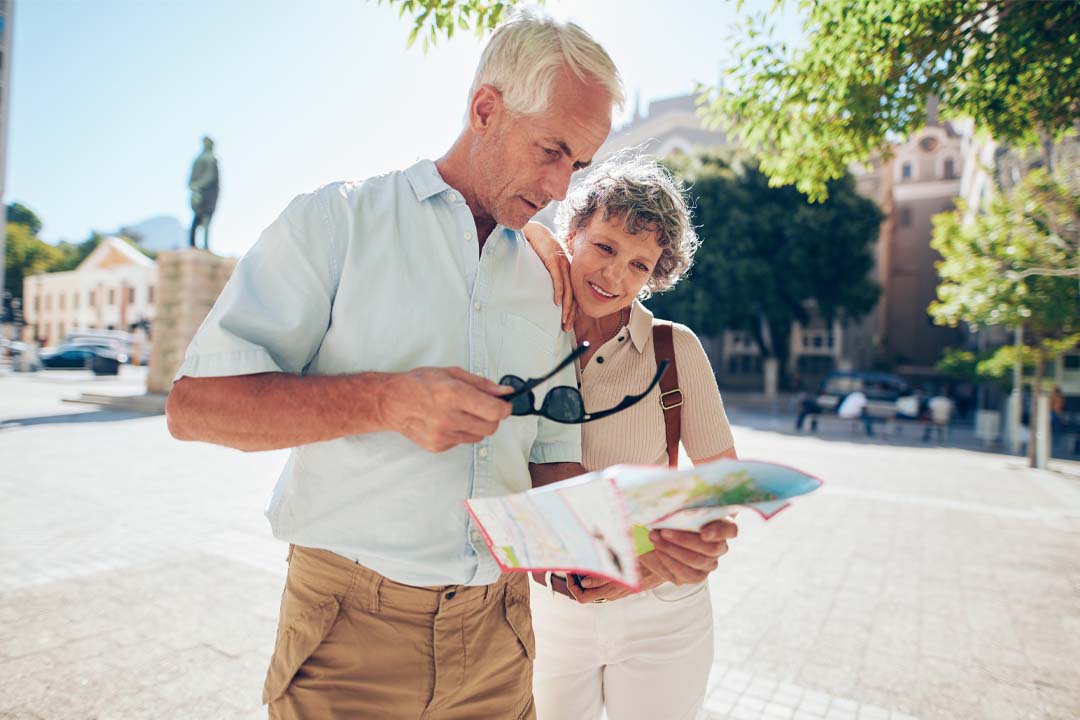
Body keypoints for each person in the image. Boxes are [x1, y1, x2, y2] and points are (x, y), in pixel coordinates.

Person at [165, 11, 733, 719]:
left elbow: (549, 470)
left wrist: (629, 551)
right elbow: (193, 408)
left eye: (579, 165)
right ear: (485, 110)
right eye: (550, 150)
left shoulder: (544, 278)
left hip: (502, 644)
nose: (563, 190)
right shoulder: (338, 223)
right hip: (350, 640)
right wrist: (385, 402)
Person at [522, 154, 737, 720]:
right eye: (605, 247)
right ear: (573, 232)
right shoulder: (523, 329)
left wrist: (643, 569)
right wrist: (536, 238)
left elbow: (723, 487)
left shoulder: (675, 348)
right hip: (545, 611)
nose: (615, 277)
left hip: (662, 613)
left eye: (640, 265)